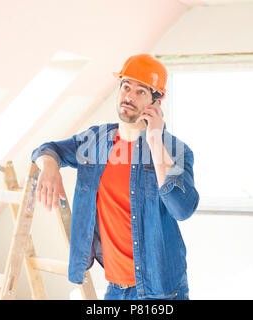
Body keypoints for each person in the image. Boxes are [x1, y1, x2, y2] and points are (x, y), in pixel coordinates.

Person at [31, 53, 199, 300]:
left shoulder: (175, 151)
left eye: (141, 91)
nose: (129, 96)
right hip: (116, 289)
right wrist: (49, 166)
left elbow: (182, 209)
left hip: (161, 291)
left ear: (157, 101)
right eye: (126, 86)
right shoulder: (94, 142)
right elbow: (47, 149)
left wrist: (154, 140)